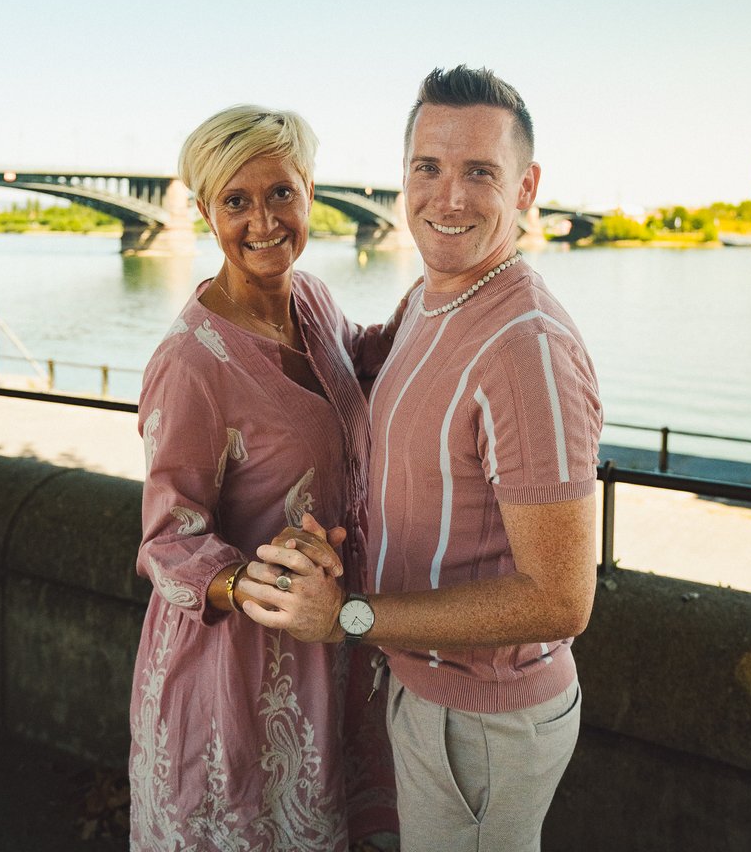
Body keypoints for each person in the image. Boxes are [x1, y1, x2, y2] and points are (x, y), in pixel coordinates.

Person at [242, 66, 602, 852]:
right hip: (426, 690)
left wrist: (348, 617)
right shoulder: (430, 299)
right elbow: (362, 372)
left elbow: (560, 599)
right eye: (428, 167)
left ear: (526, 187)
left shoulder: (527, 350)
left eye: (480, 172)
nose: (449, 197)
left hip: (482, 722)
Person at [128, 104, 401, 852]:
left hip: (325, 649)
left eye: (281, 192)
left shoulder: (311, 299)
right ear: (207, 213)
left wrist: (442, 299)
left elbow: (360, 356)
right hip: (234, 676)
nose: (263, 221)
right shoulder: (190, 362)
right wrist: (244, 580)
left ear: (309, 191)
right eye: (236, 201)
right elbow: (167, 538)